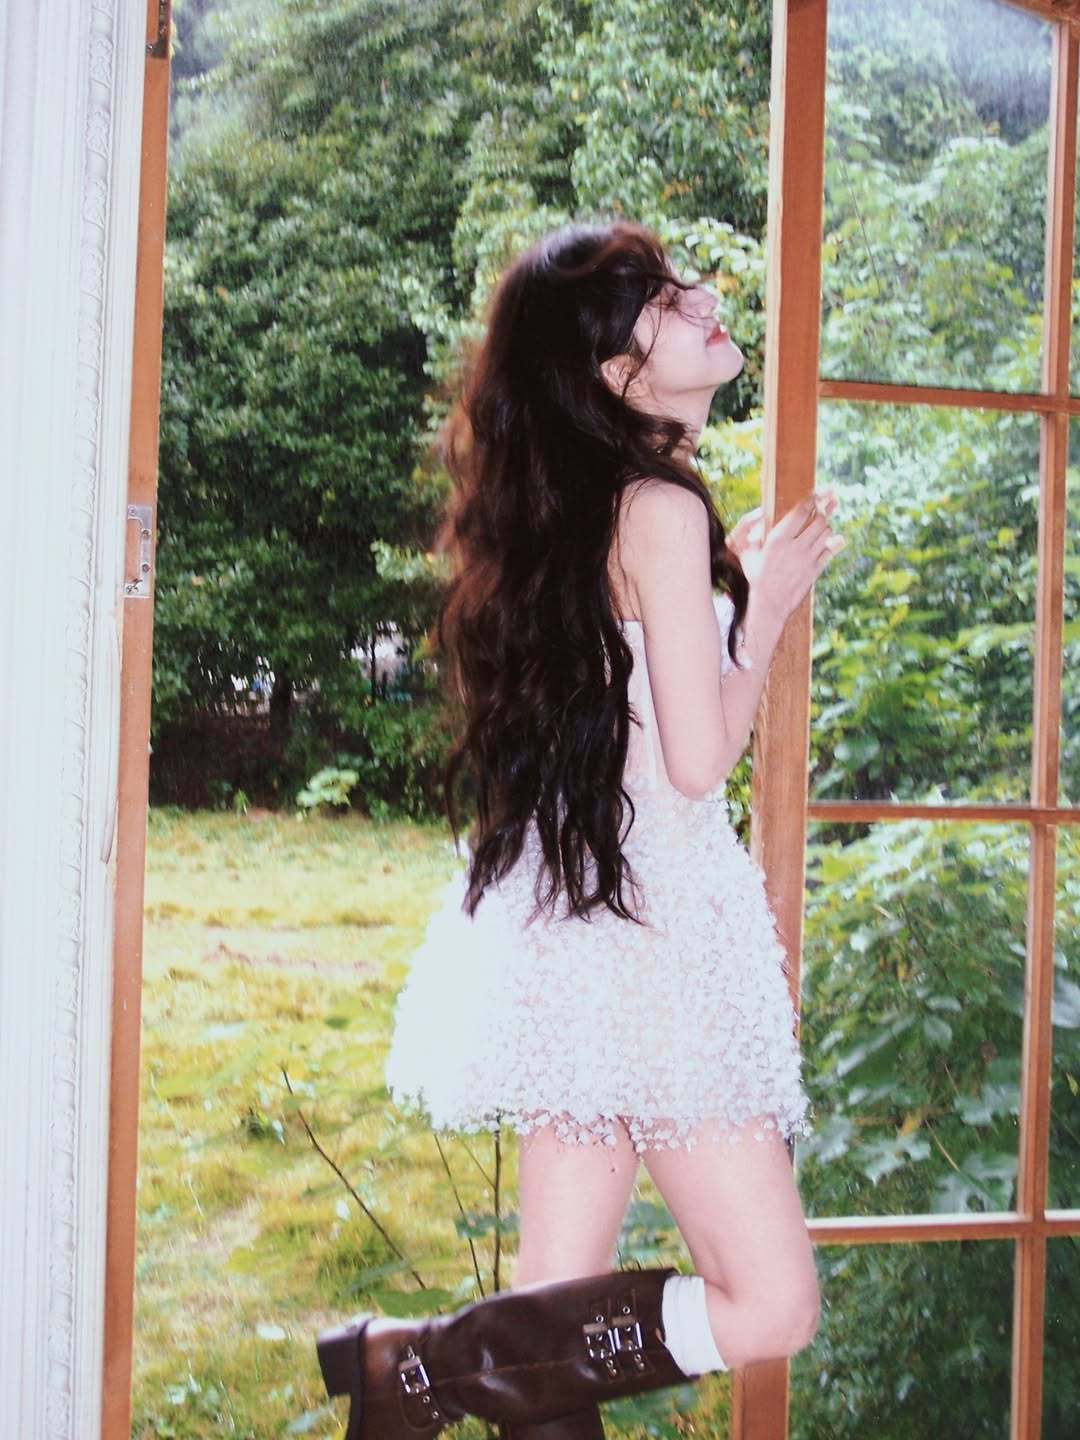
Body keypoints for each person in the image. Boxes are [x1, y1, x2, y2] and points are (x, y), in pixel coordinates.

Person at [315, 220, 846, 1439]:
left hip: (579, 917)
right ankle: (424, 1367)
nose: (701, 298)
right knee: (772, 1303)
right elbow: (697, 762)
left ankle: (419, 1369)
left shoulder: (595, 509)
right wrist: (763, 614)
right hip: (652, 937)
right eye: (660, 300)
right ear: (615, 373)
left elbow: (639, 723)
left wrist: (726, 606)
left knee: (551, 1329)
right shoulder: (654, 506)